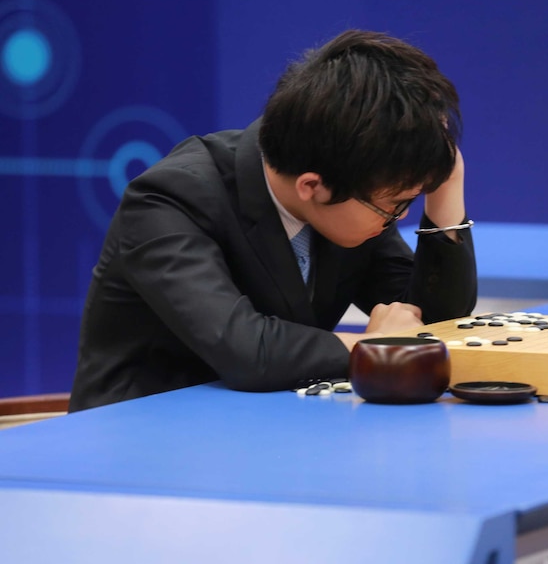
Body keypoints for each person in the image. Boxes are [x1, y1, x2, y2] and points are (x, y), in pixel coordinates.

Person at [68, 30, 477, 411]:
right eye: (393, 206)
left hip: (270, 432)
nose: (397, 217)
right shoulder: (168, 200)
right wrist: (372, 347)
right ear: (311, 186)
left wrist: (445, 183)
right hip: (144, 445)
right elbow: (245, 350)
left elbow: (432, 322)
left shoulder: (351, 178)